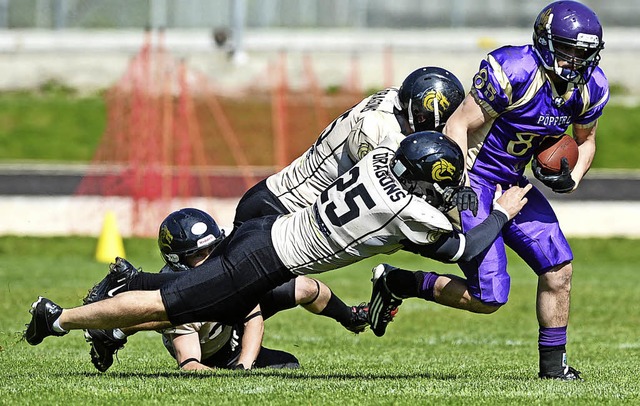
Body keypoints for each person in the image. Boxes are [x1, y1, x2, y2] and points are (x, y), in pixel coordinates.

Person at [24, 131, 531, 364]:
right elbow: (465, 249)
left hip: (267, 232)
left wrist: (445, 185)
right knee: (175, 303)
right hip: (265, 258)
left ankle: (123, 295)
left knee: (203, 300)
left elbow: (413, 188)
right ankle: (61, 318)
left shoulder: (379, 158)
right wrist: (501, 212)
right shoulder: (408, 211)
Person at [369, 1, 608, 381]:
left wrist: (573, 176)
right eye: (568, 50)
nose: (577, 62)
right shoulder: (514, 71)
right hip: (476, 179)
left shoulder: (590, 88)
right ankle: (399, 281)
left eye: (585, 53)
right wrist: (457, 190)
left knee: (559, 269)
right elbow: (459, 125)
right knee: (489, 297)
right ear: (546, 42)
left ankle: (553, 369)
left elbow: (586, 139)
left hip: (515, 181)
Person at [85, 208, 367, 372]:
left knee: (305, 286)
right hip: (218, 348)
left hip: (233, 319)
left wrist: (247, 362)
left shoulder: (224, 265)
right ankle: (114, 328)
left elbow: (253, 315)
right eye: (200, 254)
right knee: (287, 365)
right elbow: (190, 365)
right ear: (177, 260)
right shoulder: (180, 290)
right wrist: (238, 367)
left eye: (213, 249)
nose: (210, 258)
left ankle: (351, 317)